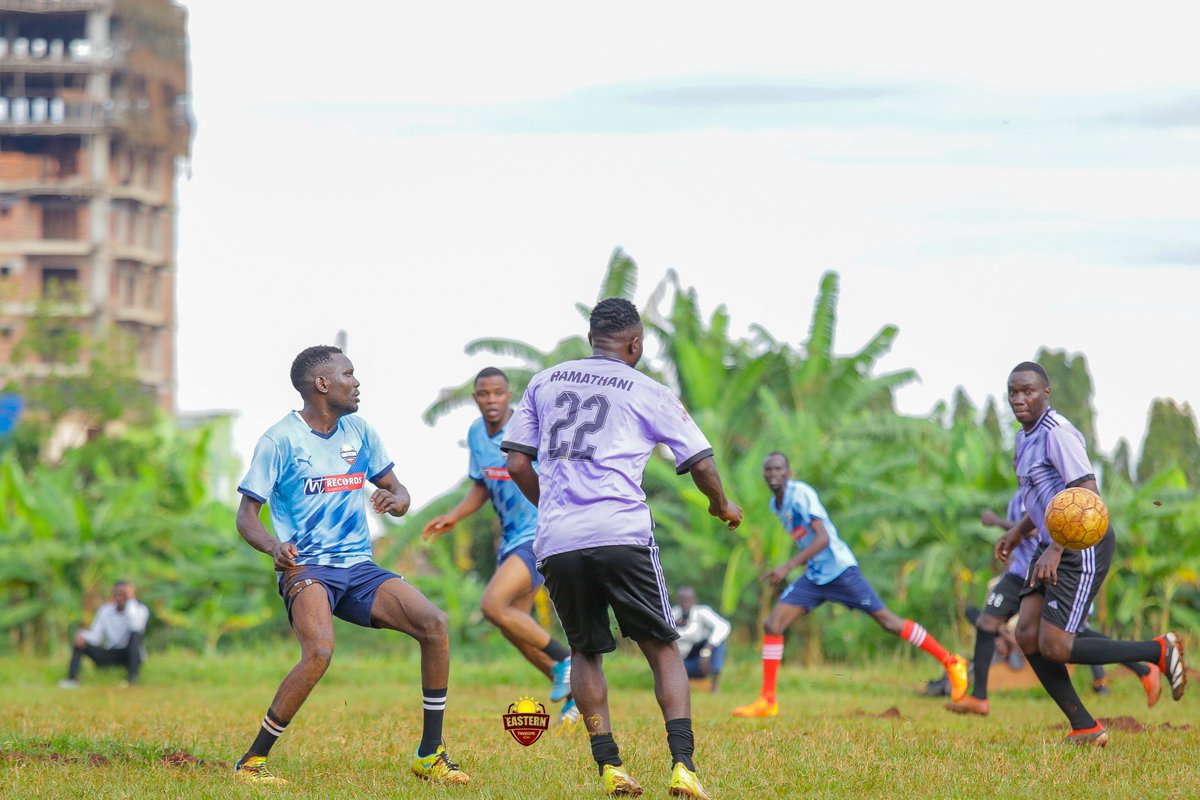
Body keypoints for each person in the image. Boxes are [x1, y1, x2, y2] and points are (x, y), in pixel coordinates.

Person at [502, 297, 742, 799]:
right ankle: (683, 767)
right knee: (661, 647)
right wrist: (722, 505)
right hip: (622, 533)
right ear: (634, 344)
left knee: (586, 651)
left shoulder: (545, 381)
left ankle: (611, 767)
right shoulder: (647, 389)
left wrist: (554, 509)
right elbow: (700, 462)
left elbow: (519, 465)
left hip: (559, 539)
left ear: (593, 338)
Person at [231, 345, 468, 785]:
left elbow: (399, 492)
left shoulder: (359, 431)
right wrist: (273, 548)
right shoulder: (279, 440)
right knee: (319, 651)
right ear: (322, 384)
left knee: (434, 623)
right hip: (307, 569)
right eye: (348, 374)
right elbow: (246, 516)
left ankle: (430, 755)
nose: (356, 383)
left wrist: (396, 501)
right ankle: (252, 763)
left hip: (359, 568)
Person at [995, 361, 1185, 746]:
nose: (1019, 398)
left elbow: (1086, 495)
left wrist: (1056, 547)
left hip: (1081, 544)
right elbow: (1045, 499)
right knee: (1028, 635)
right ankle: (1084, 726)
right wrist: (1017, 532)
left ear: (1045, 393)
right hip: (1052, 544)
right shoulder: (1022, 438)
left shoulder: (1057, 434)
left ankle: (1158, 650)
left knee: (1057, 645)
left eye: (1028, 391)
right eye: (1013, 392)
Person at [732, 452, 969, 718]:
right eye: (768, 470)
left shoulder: (801, 494)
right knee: (772, 625)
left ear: (789, 471)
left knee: (888, 622)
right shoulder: (776, 505)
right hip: (815, 576)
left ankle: (952, 662)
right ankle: (767, 701)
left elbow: (822, 539)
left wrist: (787, 566)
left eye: (778, 469)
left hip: (841, 571)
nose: (773, 474)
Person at [423, 367, 576, 722]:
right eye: (483, 394)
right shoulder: (476, 433)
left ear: (510, 396)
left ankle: (567, 659)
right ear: (475, 397)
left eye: (498, 393)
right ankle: (576, 693)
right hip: (510, 540)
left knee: (493, 606)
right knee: (514, 624)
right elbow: (481, 484)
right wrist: (455, 516)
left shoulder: (529, 426)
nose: (491, 400)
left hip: (541, 533)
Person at [947, 494, 1161, 715]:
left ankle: (1144, 667)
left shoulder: (1047, 491)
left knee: (1071, 637)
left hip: (1045, 570)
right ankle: (979, 697)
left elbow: (1039, 529)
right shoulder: (1019, 493)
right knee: (986, 622)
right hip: (1017, 573)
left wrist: (999, 522)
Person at [59, 580, 148, 688]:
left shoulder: (140, 610)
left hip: (130, 655)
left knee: (135, 635)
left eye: (123, 594)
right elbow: (96, 637)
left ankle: (132, 679)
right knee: (80, 640)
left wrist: (130, 602)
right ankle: (72, 679)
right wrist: (82, 635)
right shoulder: (105, 611)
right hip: (111, 652)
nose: (120, 597)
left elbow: (136, 626)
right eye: (117, 594)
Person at [672, 587, 731, 692]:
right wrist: (675, 625)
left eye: (688, 600)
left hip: (702, 661)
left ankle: (714, 686)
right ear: (678, 601)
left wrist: (706, 651)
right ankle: (678, 684)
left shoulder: (702, 612)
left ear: (694, 601)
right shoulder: (672, 615)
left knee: (720, 642)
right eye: (682, 600)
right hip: (681, 663)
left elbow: (724, 626)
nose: (685, 604)